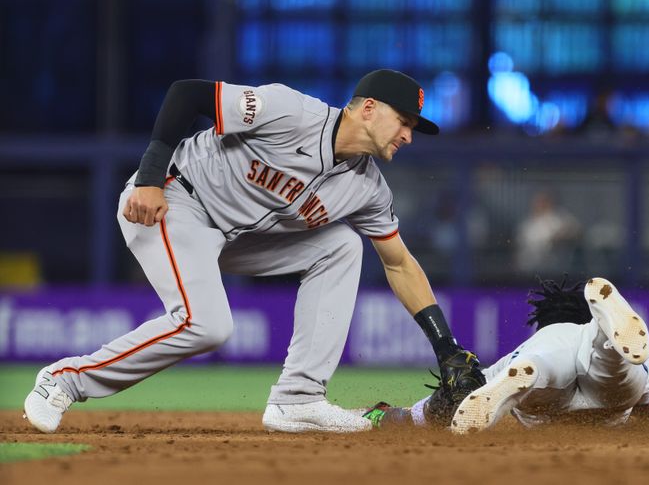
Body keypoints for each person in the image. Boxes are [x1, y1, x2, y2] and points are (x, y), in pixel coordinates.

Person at [23, 69, 485, 434]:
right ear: (368, 108)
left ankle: (298, 399)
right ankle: (63, 380)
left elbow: (399, 263)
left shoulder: (367, 189)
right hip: (172, 201)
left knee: (343, 244)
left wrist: (445, 346)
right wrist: (148, 178)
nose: (408, 135)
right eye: (404, 121)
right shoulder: (291, 111)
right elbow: (187, 94)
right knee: (207, 325)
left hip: (234, 237)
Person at [363, 277, 649, 433]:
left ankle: (531, 369)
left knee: (534, 370)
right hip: (612, 398)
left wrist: (385, 416)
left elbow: (451, 401)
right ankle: (604, 339)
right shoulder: (646, 370)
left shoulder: (550, 337)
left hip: (541, 384)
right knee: (615, 369)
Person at [514, 191, 581, 277]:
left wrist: (562, 237)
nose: (540, 204)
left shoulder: (560, 218)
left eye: (544, 201)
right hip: (530, 272)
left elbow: (577, 232)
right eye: (538, 201)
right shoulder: (527, 224)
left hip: (556, 272)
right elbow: (519, 249)